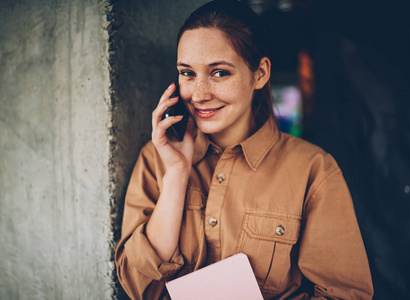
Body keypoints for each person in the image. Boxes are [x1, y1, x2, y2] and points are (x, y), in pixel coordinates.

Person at [115, 1, 374, 299]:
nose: (198, 94)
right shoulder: (156, 159)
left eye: (219, 73)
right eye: (187, 73)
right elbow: (136, 286)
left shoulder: (314, 170)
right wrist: (176, 175)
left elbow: (345, 295)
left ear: (260, 73)